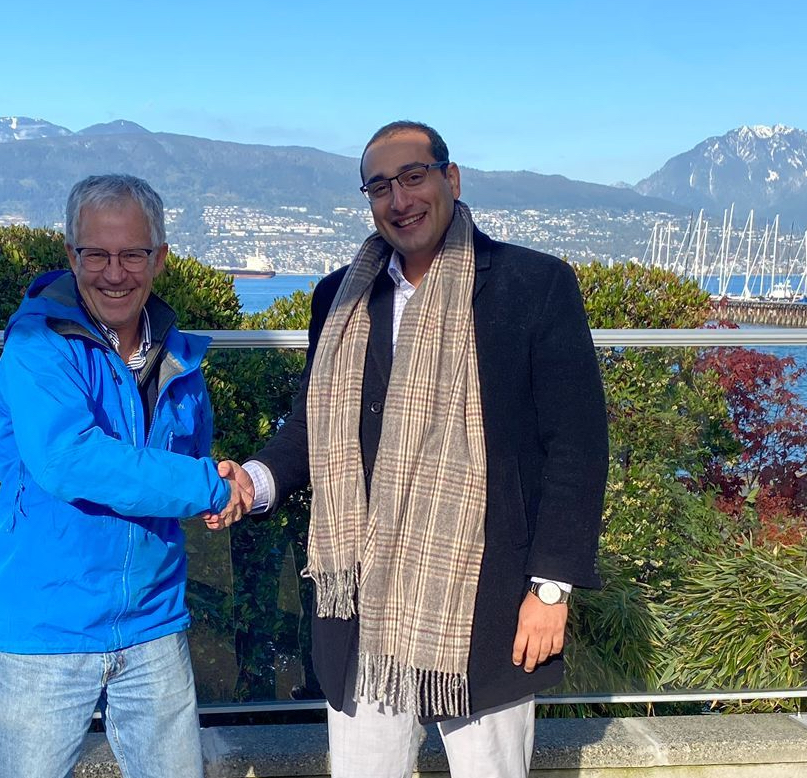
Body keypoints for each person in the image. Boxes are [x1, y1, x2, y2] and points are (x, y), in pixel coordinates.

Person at [224, 121, 609, 776]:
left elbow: (576, 445)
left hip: (482, 601)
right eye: (380, 186)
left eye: (413, 177)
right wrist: (254, 481)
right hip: (363, 608)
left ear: (450, 180)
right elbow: (316, 424)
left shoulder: (532, 286)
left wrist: (550, 592)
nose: (399, 199)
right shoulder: (339, 296)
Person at [0, 173, 248, 778]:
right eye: (96, 254)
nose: (114, 272)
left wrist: (207, 486)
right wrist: (212, 486)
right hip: (46, 628)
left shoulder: (180, 356)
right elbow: (68, 458)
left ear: (158, 257)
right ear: (70, 255)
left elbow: (178, 464)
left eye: (132, 253)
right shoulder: (35, 345)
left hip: (154, 624)